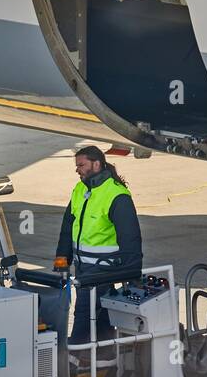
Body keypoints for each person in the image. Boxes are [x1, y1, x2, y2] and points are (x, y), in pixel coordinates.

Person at [54, 144, 144, 344]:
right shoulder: (80, 189)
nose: (77, 169)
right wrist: (62, 259)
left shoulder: (116, 195)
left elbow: (130, 237)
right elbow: (68, 226)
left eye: (81, 165)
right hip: (83, 268)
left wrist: (132, 272)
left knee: (84, 314)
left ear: (96, 164)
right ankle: (104, 356)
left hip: (103, 269)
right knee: (101, 315)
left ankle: (76, 354)